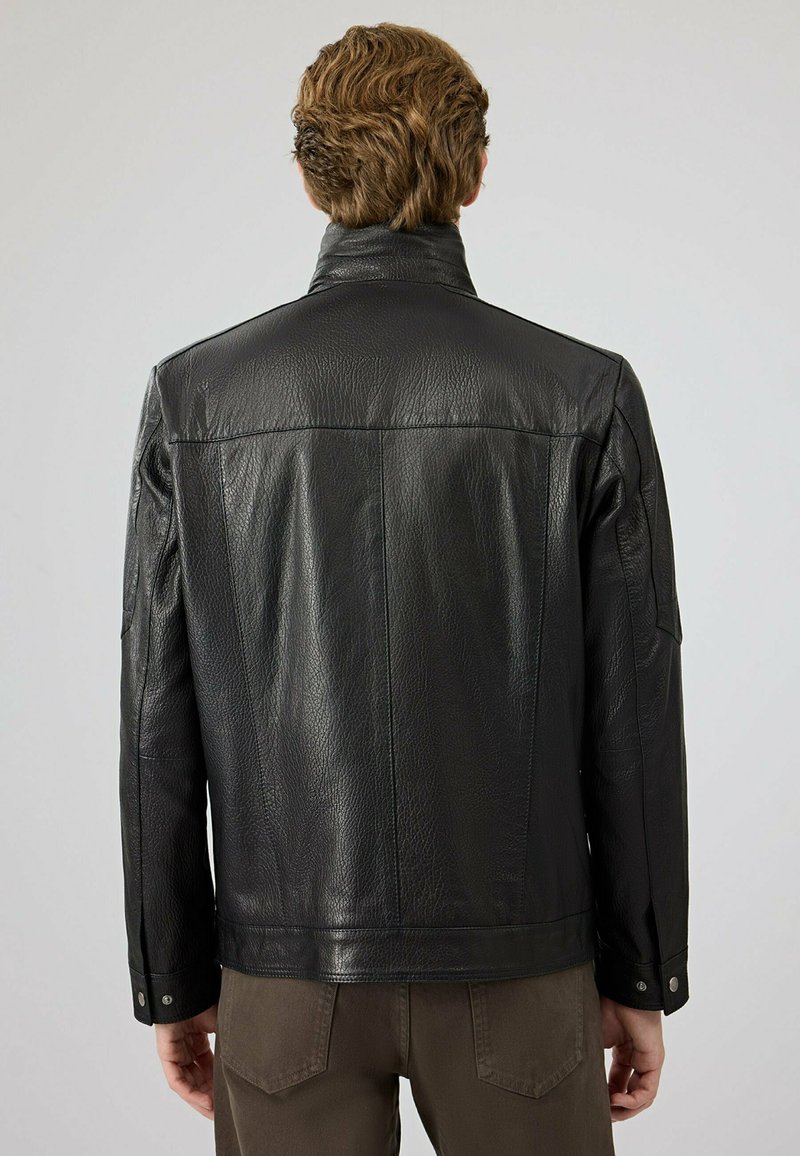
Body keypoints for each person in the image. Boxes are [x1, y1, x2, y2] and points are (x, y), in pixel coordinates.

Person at [118, 22, 689, 1155]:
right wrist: (642, 971)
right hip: (522, 969)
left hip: (282, 977)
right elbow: (632, 712)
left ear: (309, 177)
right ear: (474, 172)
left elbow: (156, 723)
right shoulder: (580, 394)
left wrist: (171, 976)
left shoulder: (196, 399)